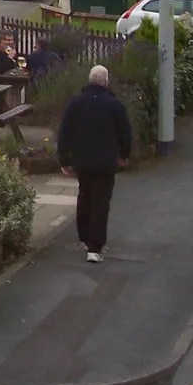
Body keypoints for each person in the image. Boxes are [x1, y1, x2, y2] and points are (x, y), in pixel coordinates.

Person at [57, 64, 133, 263]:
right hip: (106, 161)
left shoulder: (76, 103)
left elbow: (65, 132)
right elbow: (125, 133)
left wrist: (64, 159)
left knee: (84, 196)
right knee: (101, 202)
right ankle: (95, 247)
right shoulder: (115, 105)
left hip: (82, 160)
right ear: (106, 82)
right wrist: (124, 155)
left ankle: (83, 236)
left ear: (89, 81)